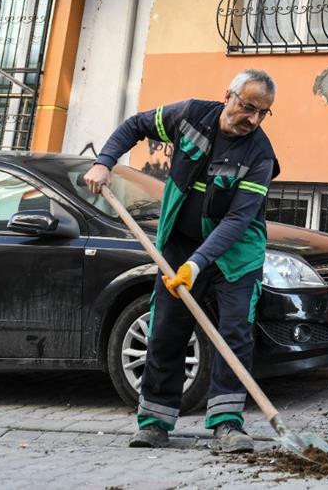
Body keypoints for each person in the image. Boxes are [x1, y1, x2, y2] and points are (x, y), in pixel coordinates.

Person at [82, 70, 280, 453]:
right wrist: (105, 161)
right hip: (179, 244)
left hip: (235, 254)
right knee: (166, 329)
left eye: (263, 113)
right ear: (229, 96)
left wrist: (198, 264)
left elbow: (238, 220)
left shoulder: (261, 155)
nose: (253, 119)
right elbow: (135, 125)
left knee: (233, 334)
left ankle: (227, 425)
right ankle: (154, 422)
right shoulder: (189, 116)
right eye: (249, 107)